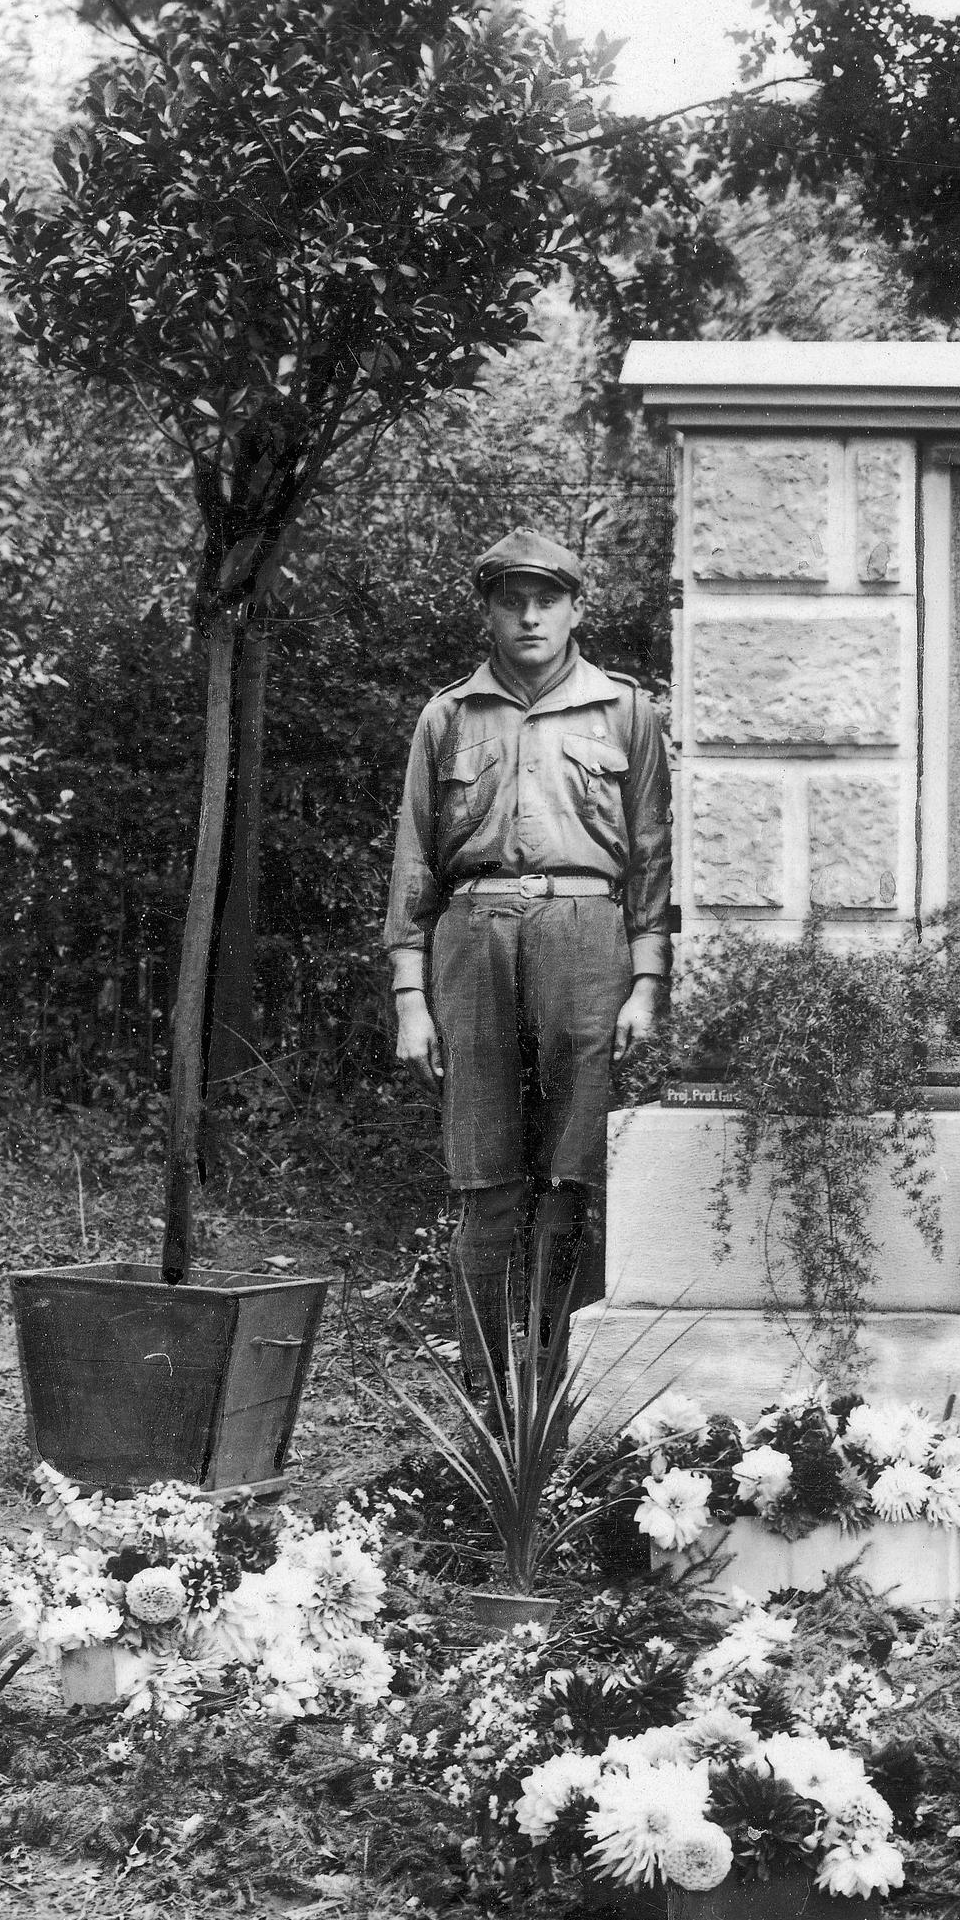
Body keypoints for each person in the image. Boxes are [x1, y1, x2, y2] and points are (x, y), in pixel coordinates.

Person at [383, 528, 673, 1390]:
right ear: (489, 611)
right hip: (471, 940)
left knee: (572, 1170)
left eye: (548, 598)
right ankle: (486, 1396)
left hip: (589, 938)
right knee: (483, 1173)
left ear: (578, 608)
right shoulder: (446, 716)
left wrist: (648, 978)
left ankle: (558, 1388)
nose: (531, 615)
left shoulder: (625, 712)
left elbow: (654, 853)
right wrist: (409, 996)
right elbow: (413, 859)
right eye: (512, 599)